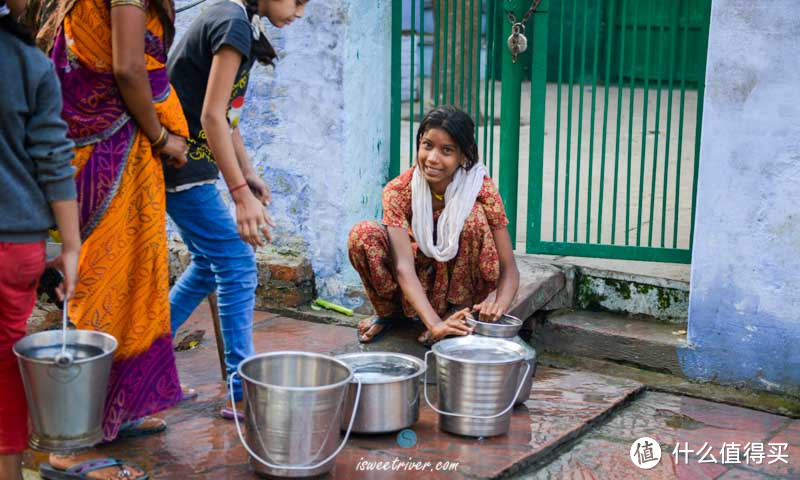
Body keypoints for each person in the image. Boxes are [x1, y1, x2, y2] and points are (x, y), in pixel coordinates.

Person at [33, 0, 190, 476]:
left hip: (111, 139)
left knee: (129, 279)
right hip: (106, 141)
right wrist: (163, 137)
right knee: (100, 286)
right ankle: (70, 443)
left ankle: (115, 410)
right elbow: (126, 67)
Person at [164, 0, 307, 420]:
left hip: (190, 164)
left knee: (210, 265)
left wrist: (249, 173)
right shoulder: (232, 22)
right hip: (183, 165)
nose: (298, 12)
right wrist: (240, 193)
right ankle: (243, 390)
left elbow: (227, 117)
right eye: (296, 1)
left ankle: (147, 360)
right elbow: (211, 116)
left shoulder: (239, 19)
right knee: (239, 264)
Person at [348, 105, 520, 344]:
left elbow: (509, 268)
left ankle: (459, 313)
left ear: (464, 155)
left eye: (446, 150)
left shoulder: (480, 188)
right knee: (362, 234)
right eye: (427, 145)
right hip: (418, 284)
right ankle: (390, 315)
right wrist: (435, 325)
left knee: (472, 216)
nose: (432, 158)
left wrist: (498, 307)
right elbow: (403, 268)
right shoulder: (398, 191)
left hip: (460, 289)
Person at [0, 2, 80, 478]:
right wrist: (70, 248)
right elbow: (53, 157)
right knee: (5, 365)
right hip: (15, 245)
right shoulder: (29, 62)